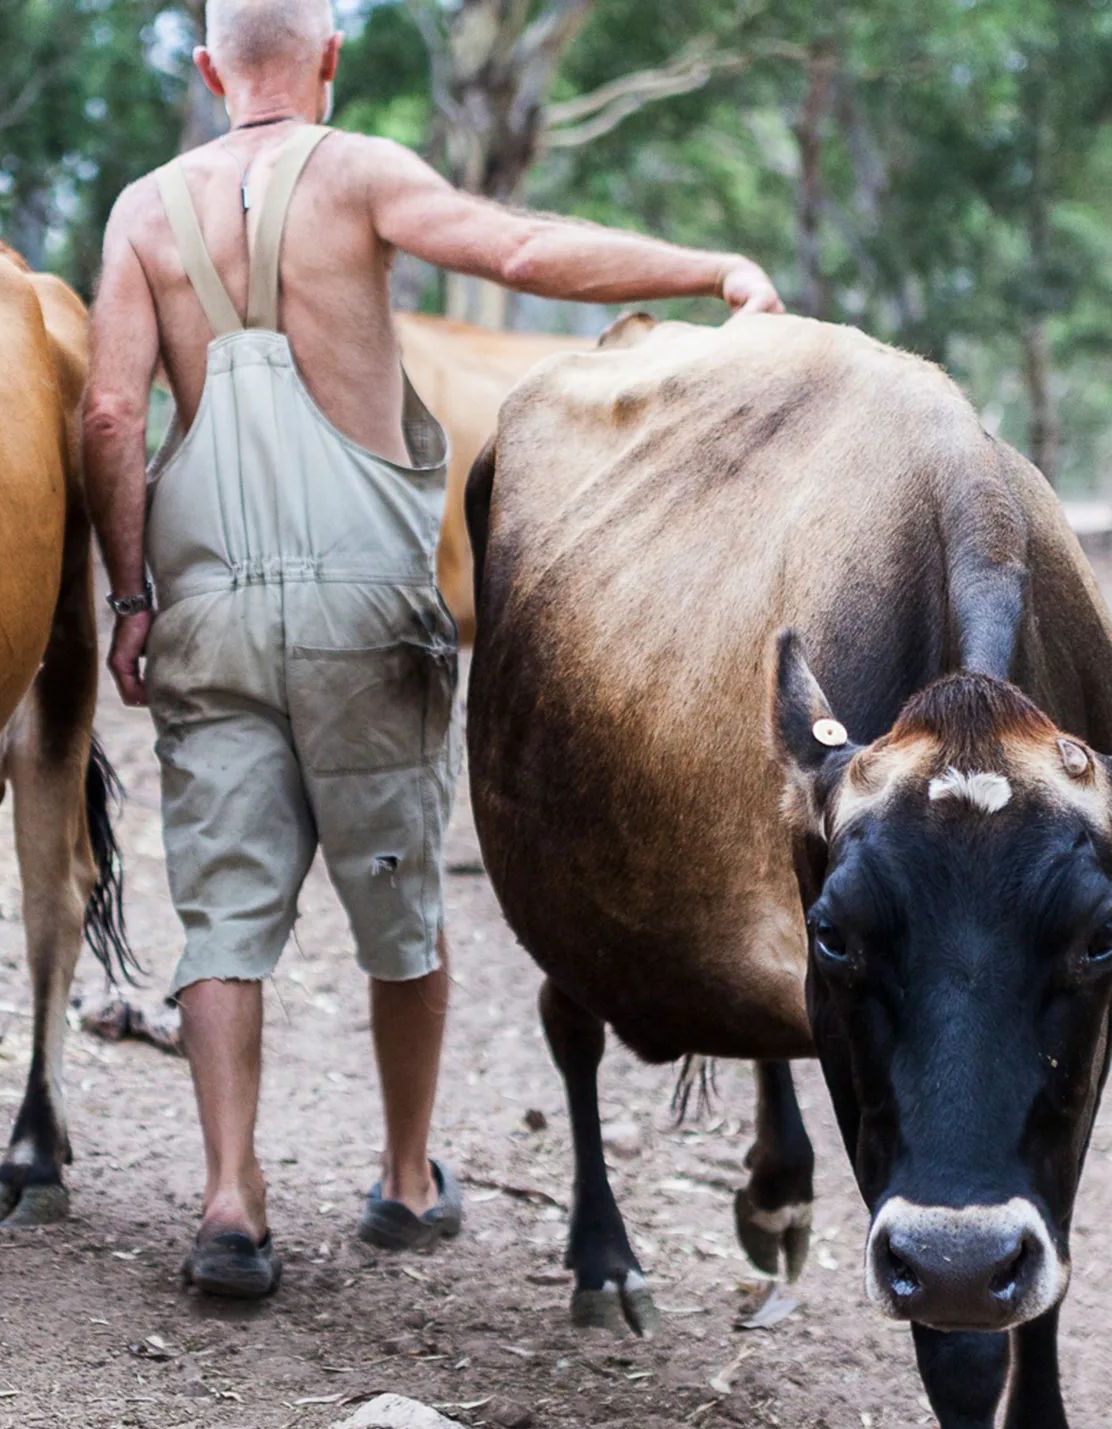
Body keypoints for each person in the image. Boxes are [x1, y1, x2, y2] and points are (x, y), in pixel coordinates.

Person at [82, 0, 783, 1299]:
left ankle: (232, 1199)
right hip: (367, 616)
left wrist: (131, 597)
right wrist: (707, 268)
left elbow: (115, 411)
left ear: (206, 69)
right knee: (400, 916)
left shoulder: (141, 211)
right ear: (331, 61)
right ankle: (406, 1182)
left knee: (224, 920)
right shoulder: (357, 173)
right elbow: (518, 248)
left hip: (208, 608)